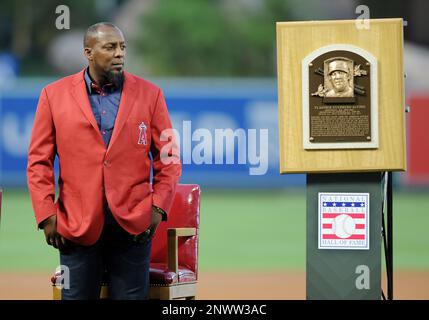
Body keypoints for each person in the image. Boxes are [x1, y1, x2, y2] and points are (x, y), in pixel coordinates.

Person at [27, 22, 181, 300]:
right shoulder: (53, 95)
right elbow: (39, 160)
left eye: (122, 47)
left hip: (133, 226)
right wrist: (46, 214)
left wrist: (157, 209)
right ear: (88, 52)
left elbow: (169, 158)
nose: (120, 53)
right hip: (76, 224)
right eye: (110, 47)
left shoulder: (151, 94)